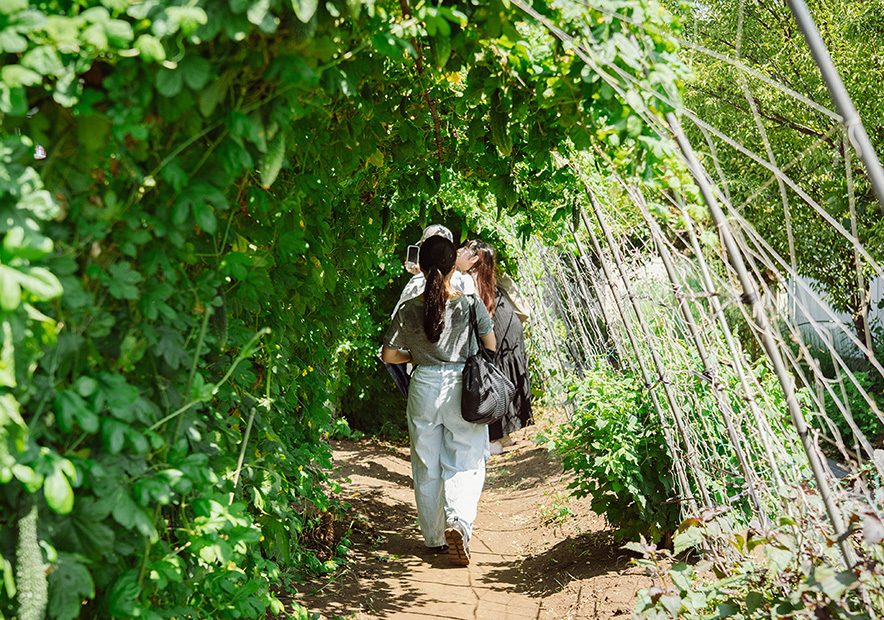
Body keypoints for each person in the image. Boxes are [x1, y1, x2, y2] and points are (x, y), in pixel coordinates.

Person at [381, 236, 496, 567]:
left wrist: (417, 353)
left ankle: (433, 538)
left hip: (423, 386)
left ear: (422, 265)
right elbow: (490, 346)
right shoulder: (470, 304)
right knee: (467, 458)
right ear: (451, 266)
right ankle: (458, 521)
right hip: (463, 388)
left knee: (426, 464)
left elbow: (389, 354)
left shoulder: (408, 308)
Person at [456, 239, 533, 454]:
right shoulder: (484, 275)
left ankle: (494, 439)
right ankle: (503, 435)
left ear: (474, 259)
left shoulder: (469, 279)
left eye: (464, 249)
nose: (458, 250)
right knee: (501, 375)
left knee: (492, 375)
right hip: (508, 329)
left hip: (499, 331)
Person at [384, 225, 475, 397]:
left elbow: (397, 324)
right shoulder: (467, 282)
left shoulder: (416, 285)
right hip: (464, 378)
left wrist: (411, 356)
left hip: (424, 379)